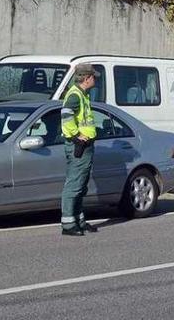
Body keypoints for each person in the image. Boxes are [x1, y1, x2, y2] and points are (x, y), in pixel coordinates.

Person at [60, 64, 100, 236]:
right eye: (93, 76)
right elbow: (66, 114)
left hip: (84, 145)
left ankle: (79, 220)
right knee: (74, 185)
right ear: (86, 78)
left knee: (80, 185)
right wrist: (76, 136)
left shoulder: (82, 94)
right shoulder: (76, 95)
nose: (95, 79)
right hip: (79, 146)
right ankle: (68, 224)